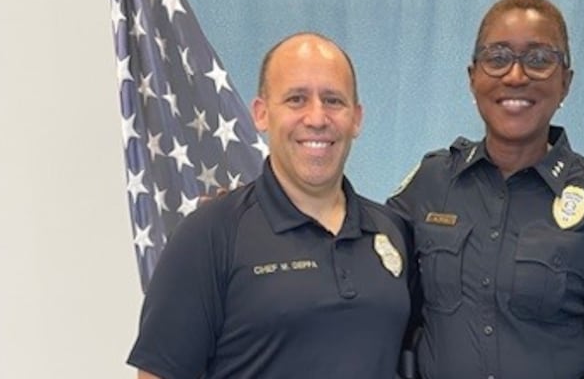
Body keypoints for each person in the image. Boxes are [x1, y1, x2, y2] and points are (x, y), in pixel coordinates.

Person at [387, 0, 584, 378]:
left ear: (566, 82)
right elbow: (380, 307)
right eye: (497, 58)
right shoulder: (430, 185)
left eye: (539, 59)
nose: (515, 76)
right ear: (472, 77)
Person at [128, 32, 412, 378]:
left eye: (333, 101)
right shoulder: (209, 235)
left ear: (357, 118)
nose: (317, 118)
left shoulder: (393, 232)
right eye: (296, 99)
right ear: (261, 114)